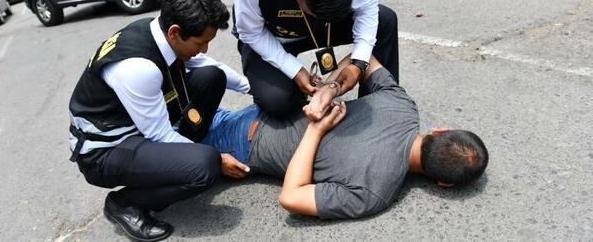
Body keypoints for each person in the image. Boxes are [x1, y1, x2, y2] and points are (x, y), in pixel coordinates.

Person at [68, 0, 250, 241]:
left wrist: (251, 88)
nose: (205, 48)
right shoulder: (139, 68)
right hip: (105, 152)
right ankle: (126, 203)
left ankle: (186, 156)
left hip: (137, 127)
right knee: (205, 166)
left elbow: (206, 62)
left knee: (212, 76)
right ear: (175, 32)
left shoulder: (158, 30)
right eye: (201, 42)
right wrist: (218, 160)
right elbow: (160, 135)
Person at [201, 55, 489, 219]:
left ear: (440, 130)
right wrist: (317, 127)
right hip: (247, 142)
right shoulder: (375, 193)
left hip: (252, 123)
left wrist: (332, 87)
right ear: (444, 182)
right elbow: (290, 197)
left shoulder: (402, 105)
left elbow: (363, 57)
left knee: (178, 118)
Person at [232, 0, 399, 117]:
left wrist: (359, 63)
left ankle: (380, 103)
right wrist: (295, 71)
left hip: (327, 30)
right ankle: (306, 120)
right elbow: (250, 33)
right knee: (277, 100)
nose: (320, 20)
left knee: (385, 20)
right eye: (318, 14)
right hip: (272, 35)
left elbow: (367, 8)